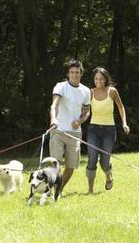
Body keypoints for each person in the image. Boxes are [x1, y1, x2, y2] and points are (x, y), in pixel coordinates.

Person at [49, 59, 91, 195]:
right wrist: (53, 119)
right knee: (55, 163)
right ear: (68, 74)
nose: (75, 75)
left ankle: (59, 189)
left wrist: (79, 121)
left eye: (77, 72)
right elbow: (54, 105)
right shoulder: (60, 86)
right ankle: (54, 188)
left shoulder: (85, 91)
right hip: (58, 130)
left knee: (71, 166)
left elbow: (87, 112)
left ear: (81, 73)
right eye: (72, 72)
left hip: (75, 133)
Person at [86, 67, 130, 194]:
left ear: (105, 79)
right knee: (92, 158)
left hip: (109, 130)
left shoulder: (112, 91)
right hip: (93, 129)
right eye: (96, 79)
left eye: (101, 78)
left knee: (105, 162)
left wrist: (124, 123)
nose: (98, 81)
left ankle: (108, 176)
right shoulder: (90, 92)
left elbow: (121, 108)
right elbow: (85, 109)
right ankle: (90, 190)